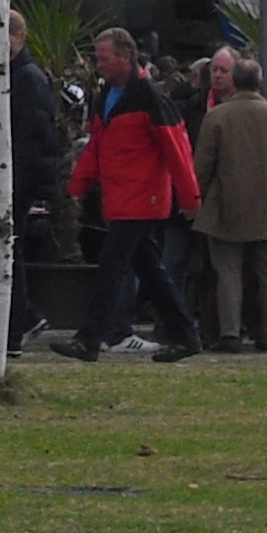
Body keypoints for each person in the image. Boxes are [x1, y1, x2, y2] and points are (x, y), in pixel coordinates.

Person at [53, 26, 204, 363]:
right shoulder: (107, 95)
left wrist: (190, 198)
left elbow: (176, 147)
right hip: (122, 199)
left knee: (112, 265)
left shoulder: (149, 96)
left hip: (141, 198)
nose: (98, 64)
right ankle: (185, 335)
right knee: (150, 269)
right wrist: (77, 185)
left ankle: (90, 339)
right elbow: (97, 146)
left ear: (124, 57)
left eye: (103, 58)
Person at [190, 58, 267, 353]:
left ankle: (230, 333)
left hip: (226, 206)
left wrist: (194, 200)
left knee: (227, 272)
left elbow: (202, 166)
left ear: (235, 81)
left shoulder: (217, 118)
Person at [6, 9, 66, 355]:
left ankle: (19, 322)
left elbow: (31, 137)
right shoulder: (14, 76)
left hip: (15, 180)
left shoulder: (26, 79)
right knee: (7, 253)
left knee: (8, 252)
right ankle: (22, 317)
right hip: (13, 178)